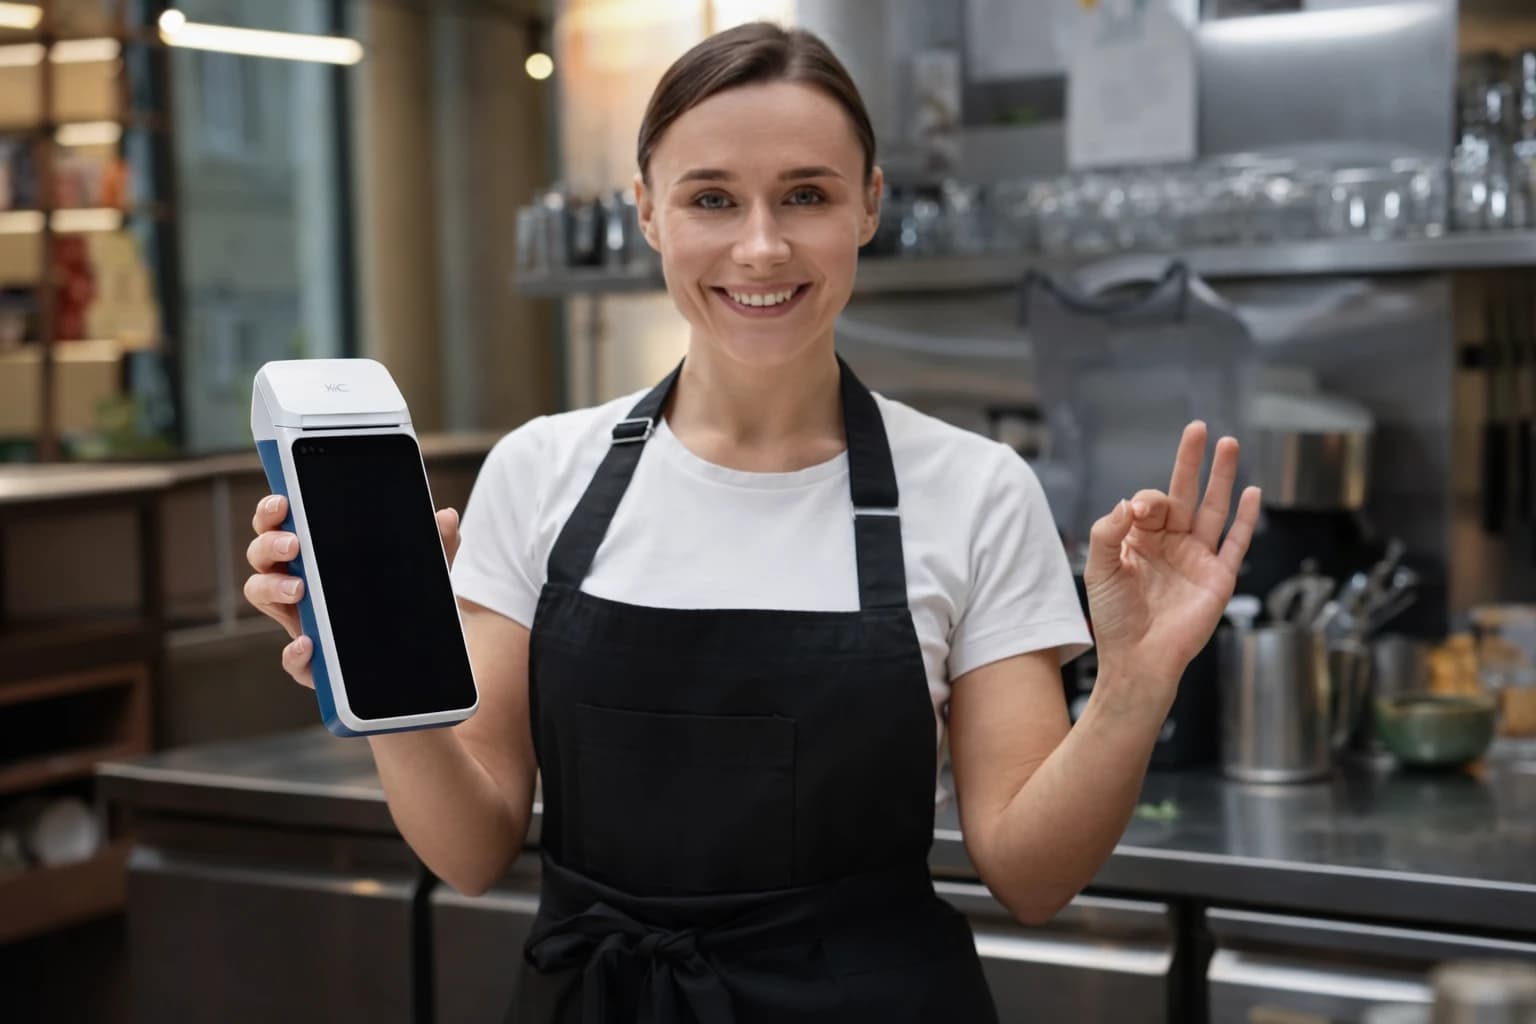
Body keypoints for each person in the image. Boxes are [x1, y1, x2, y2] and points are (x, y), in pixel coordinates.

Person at [244, 21, 1260, 1024]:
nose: (762, 246)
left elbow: (1032, 877)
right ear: (648, 212)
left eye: (807, 195)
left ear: (869, 204)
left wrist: (1133, 687)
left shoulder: (977, 490)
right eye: (712, 198)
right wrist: (383, 684)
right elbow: (471, 851)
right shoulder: (538, 472)